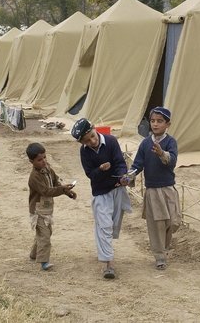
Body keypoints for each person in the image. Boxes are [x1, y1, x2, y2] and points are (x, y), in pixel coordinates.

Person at [121, 107, 181, 270]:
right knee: (157, 224)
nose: (155, 124)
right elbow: (137, 164)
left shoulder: (170, 142)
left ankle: (165, 248)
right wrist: (129, 176)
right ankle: (159, 256)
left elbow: (172, 161)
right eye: (153, 121)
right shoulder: (145, 143)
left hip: (168, 189)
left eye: (160, 121)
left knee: (173, 222)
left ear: (167, 124)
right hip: (153, 190)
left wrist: (162, 153)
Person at [71, 118, 131, 279]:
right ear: (82, 143)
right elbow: (91, 175)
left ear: (95, 129)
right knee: (104, 226)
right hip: (101, 193)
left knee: (113, 225)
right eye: (86, 140)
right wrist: (101, 169)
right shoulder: (85, 152)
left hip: (117, 189)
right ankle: (108, 264)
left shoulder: (111, 141)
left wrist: (123, 176)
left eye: (92, 136)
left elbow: (119, 162)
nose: (92, 141)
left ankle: (105, 250)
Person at [26, 142, 77, 271]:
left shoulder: (48, 169)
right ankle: (44, 261)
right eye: (39, 159)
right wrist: (62, 189)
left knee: (46, 232)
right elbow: (47, 191)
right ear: (31, 161)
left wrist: (68, 192)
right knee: (44, 235)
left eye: (44, 157)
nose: (43, 161)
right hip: (38, 210)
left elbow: (56, 182)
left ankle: (34, 254)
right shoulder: (34, 177)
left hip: (47, 208)